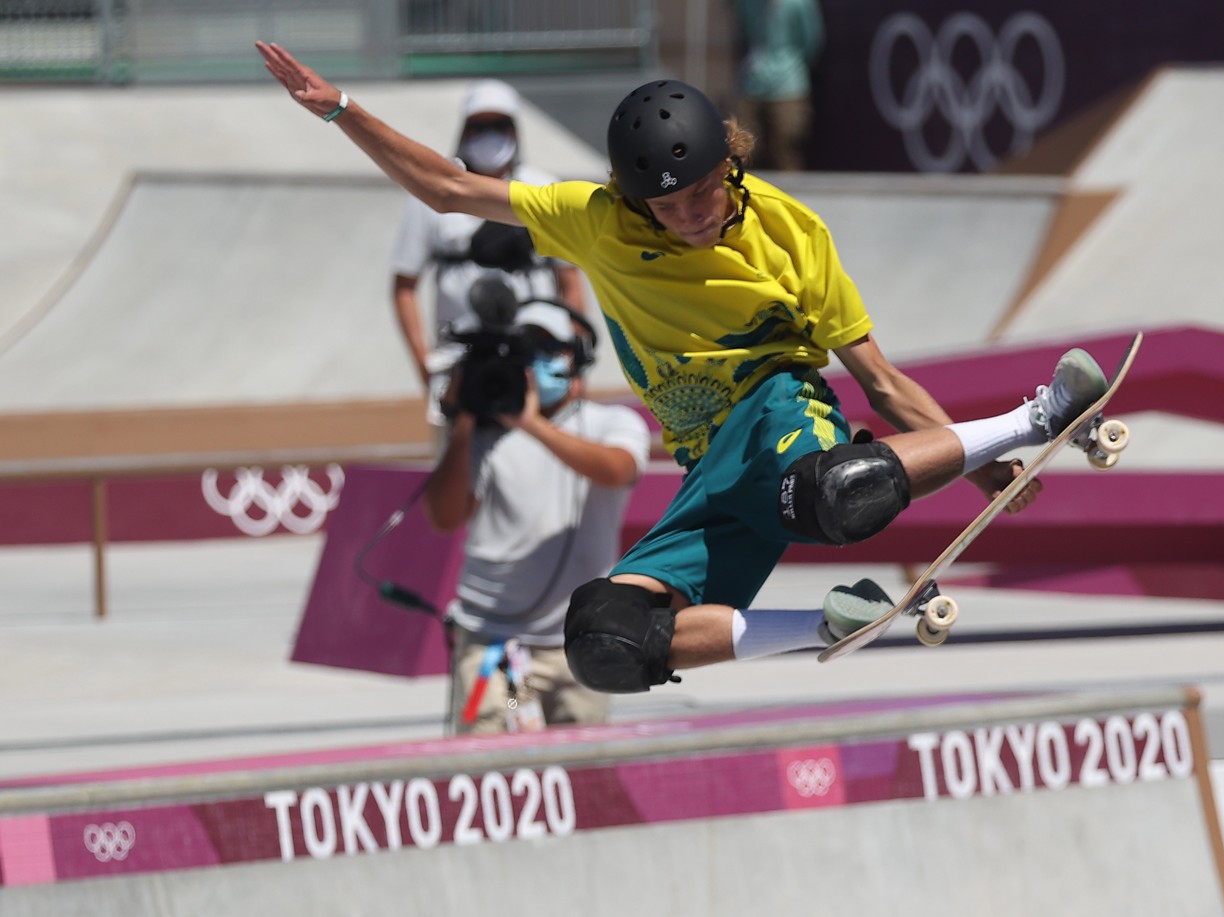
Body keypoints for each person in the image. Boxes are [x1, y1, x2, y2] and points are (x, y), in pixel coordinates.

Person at [257, 42, 1111, 696]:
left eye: (703, 193)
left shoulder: (791, 234)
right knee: (605, 638)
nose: (692, 217)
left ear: (729, 160)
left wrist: (982, 455)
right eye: (667, 208)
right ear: (634, 202)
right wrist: (341, 111)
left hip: (777, 411)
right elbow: (447, 187)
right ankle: (826, 621)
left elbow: (880, 380)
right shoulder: (593, 220)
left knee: (837, 495)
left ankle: (1042, 412)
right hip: (708, 468)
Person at [422, 294, 650, 732]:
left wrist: (532, 425)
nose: (536, 363)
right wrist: (463, 421)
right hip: (501, 654)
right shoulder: (483, 434)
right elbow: (445, 517)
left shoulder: (611, 423)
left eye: (550, 350)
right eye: (526, 352)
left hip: (580, 649)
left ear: (576, 359)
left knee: (583, 775)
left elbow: (618, 471)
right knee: (496, 758)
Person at [391, 78, 589, 428]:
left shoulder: (543, 188)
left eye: (500, 125)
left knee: (545, 453)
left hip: (536, 358)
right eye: (478, 126)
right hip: (462, 362)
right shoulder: (433, 192)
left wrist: (572, 361)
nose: (489, 135)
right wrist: (425, 365)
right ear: (463, 129)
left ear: (516, 129)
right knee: (461, 462)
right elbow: (404, 284)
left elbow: (569, 279)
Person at [734, 0, 824, 171]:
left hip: (789, 83)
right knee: (742, 148)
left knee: (788, 145)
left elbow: (812, 39)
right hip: (751, 81)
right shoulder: (747, 3)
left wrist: (792, 64)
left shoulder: (800, 3)